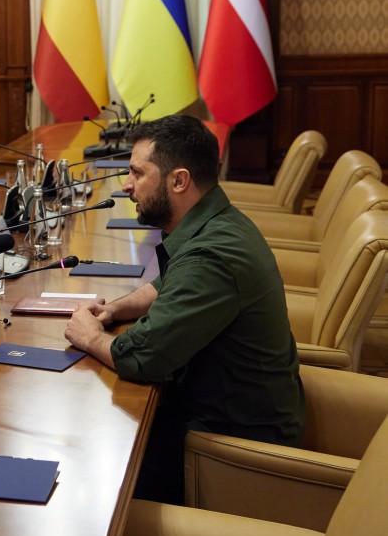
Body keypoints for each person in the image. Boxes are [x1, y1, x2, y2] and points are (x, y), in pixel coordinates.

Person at [63, 114, 305, 504]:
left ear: (178, 181)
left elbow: (143, 357)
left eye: (137, 174)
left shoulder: (210, 256)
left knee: (88, 474)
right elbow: (166, 287)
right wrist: (115, 311)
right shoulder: (215, 222)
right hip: (218, 414)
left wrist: (90, 337)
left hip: (231, 449)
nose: (126, 186)